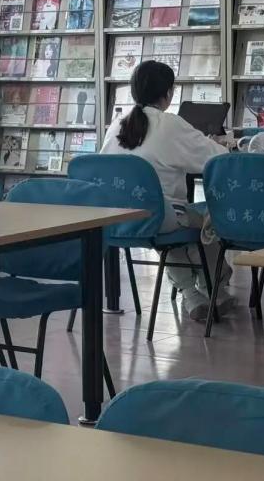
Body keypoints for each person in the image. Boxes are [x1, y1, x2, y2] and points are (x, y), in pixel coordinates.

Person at [101, 61, 236, 320]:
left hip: (117, 218)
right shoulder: (170, 124)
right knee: (208, 218)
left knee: (177, 224)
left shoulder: (117, 125)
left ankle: (191, 294)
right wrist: (214, 143)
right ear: (168, 92)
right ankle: (214, 287)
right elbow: (218, 160)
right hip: (160, 216)